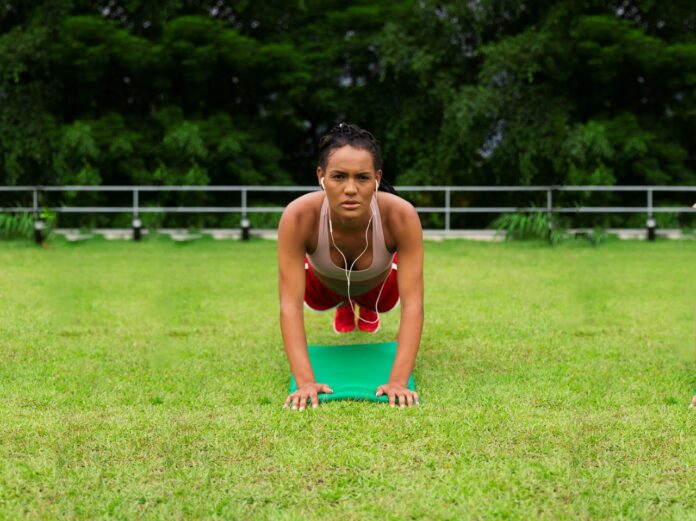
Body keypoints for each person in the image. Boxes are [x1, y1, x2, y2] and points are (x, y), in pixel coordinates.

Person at [277, 122, 424, 411]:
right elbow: (289, 305)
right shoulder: (298, 216)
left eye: (362, 178)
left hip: (379, 290)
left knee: (383, 294)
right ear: (321, 176)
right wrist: (305, 381)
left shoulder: (400, 215)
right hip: (322, 289)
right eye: (338, 176)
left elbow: (413, 305)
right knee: (314, 287)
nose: (350, 189)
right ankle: (346, 302)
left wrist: (398, 381)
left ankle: (360, 303)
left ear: (377, 178)